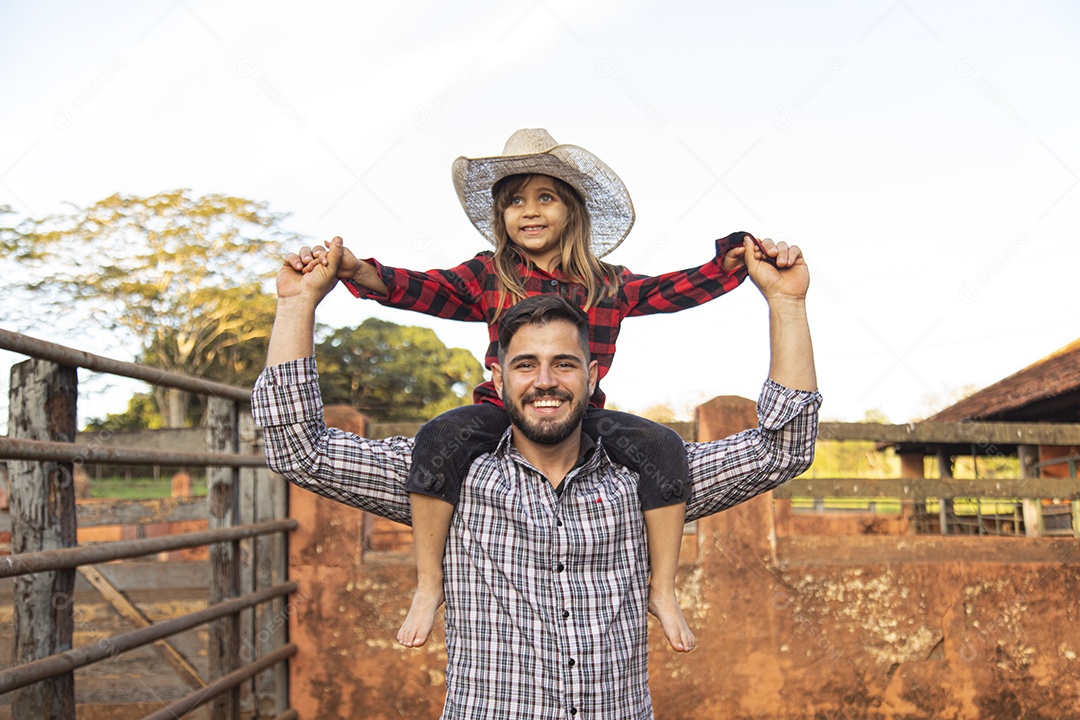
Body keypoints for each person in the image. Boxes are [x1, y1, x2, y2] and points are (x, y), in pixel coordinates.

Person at [253, 233, 820, 719]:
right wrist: (297, 304)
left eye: (564, 364)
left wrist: (787, 306)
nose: (545, 381)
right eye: (525, 364)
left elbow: (784, 449)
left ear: (592, 373)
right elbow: (296, 448)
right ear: (497, 378)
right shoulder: (450, 477)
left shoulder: (645, 480)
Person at [289, 128, 782, 651]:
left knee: (662, 447)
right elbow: (422, 288)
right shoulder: (489, 274)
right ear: (500, 216)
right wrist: (358, 269)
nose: (530, 210)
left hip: (580, 416)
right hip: (503, 411)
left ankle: (661, 589)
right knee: (437, 437)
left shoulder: (605, 282)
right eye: (516, 201)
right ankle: (430, 584)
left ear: (571, 209)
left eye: (545, 197)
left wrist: (726, 265)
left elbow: (671, 291)